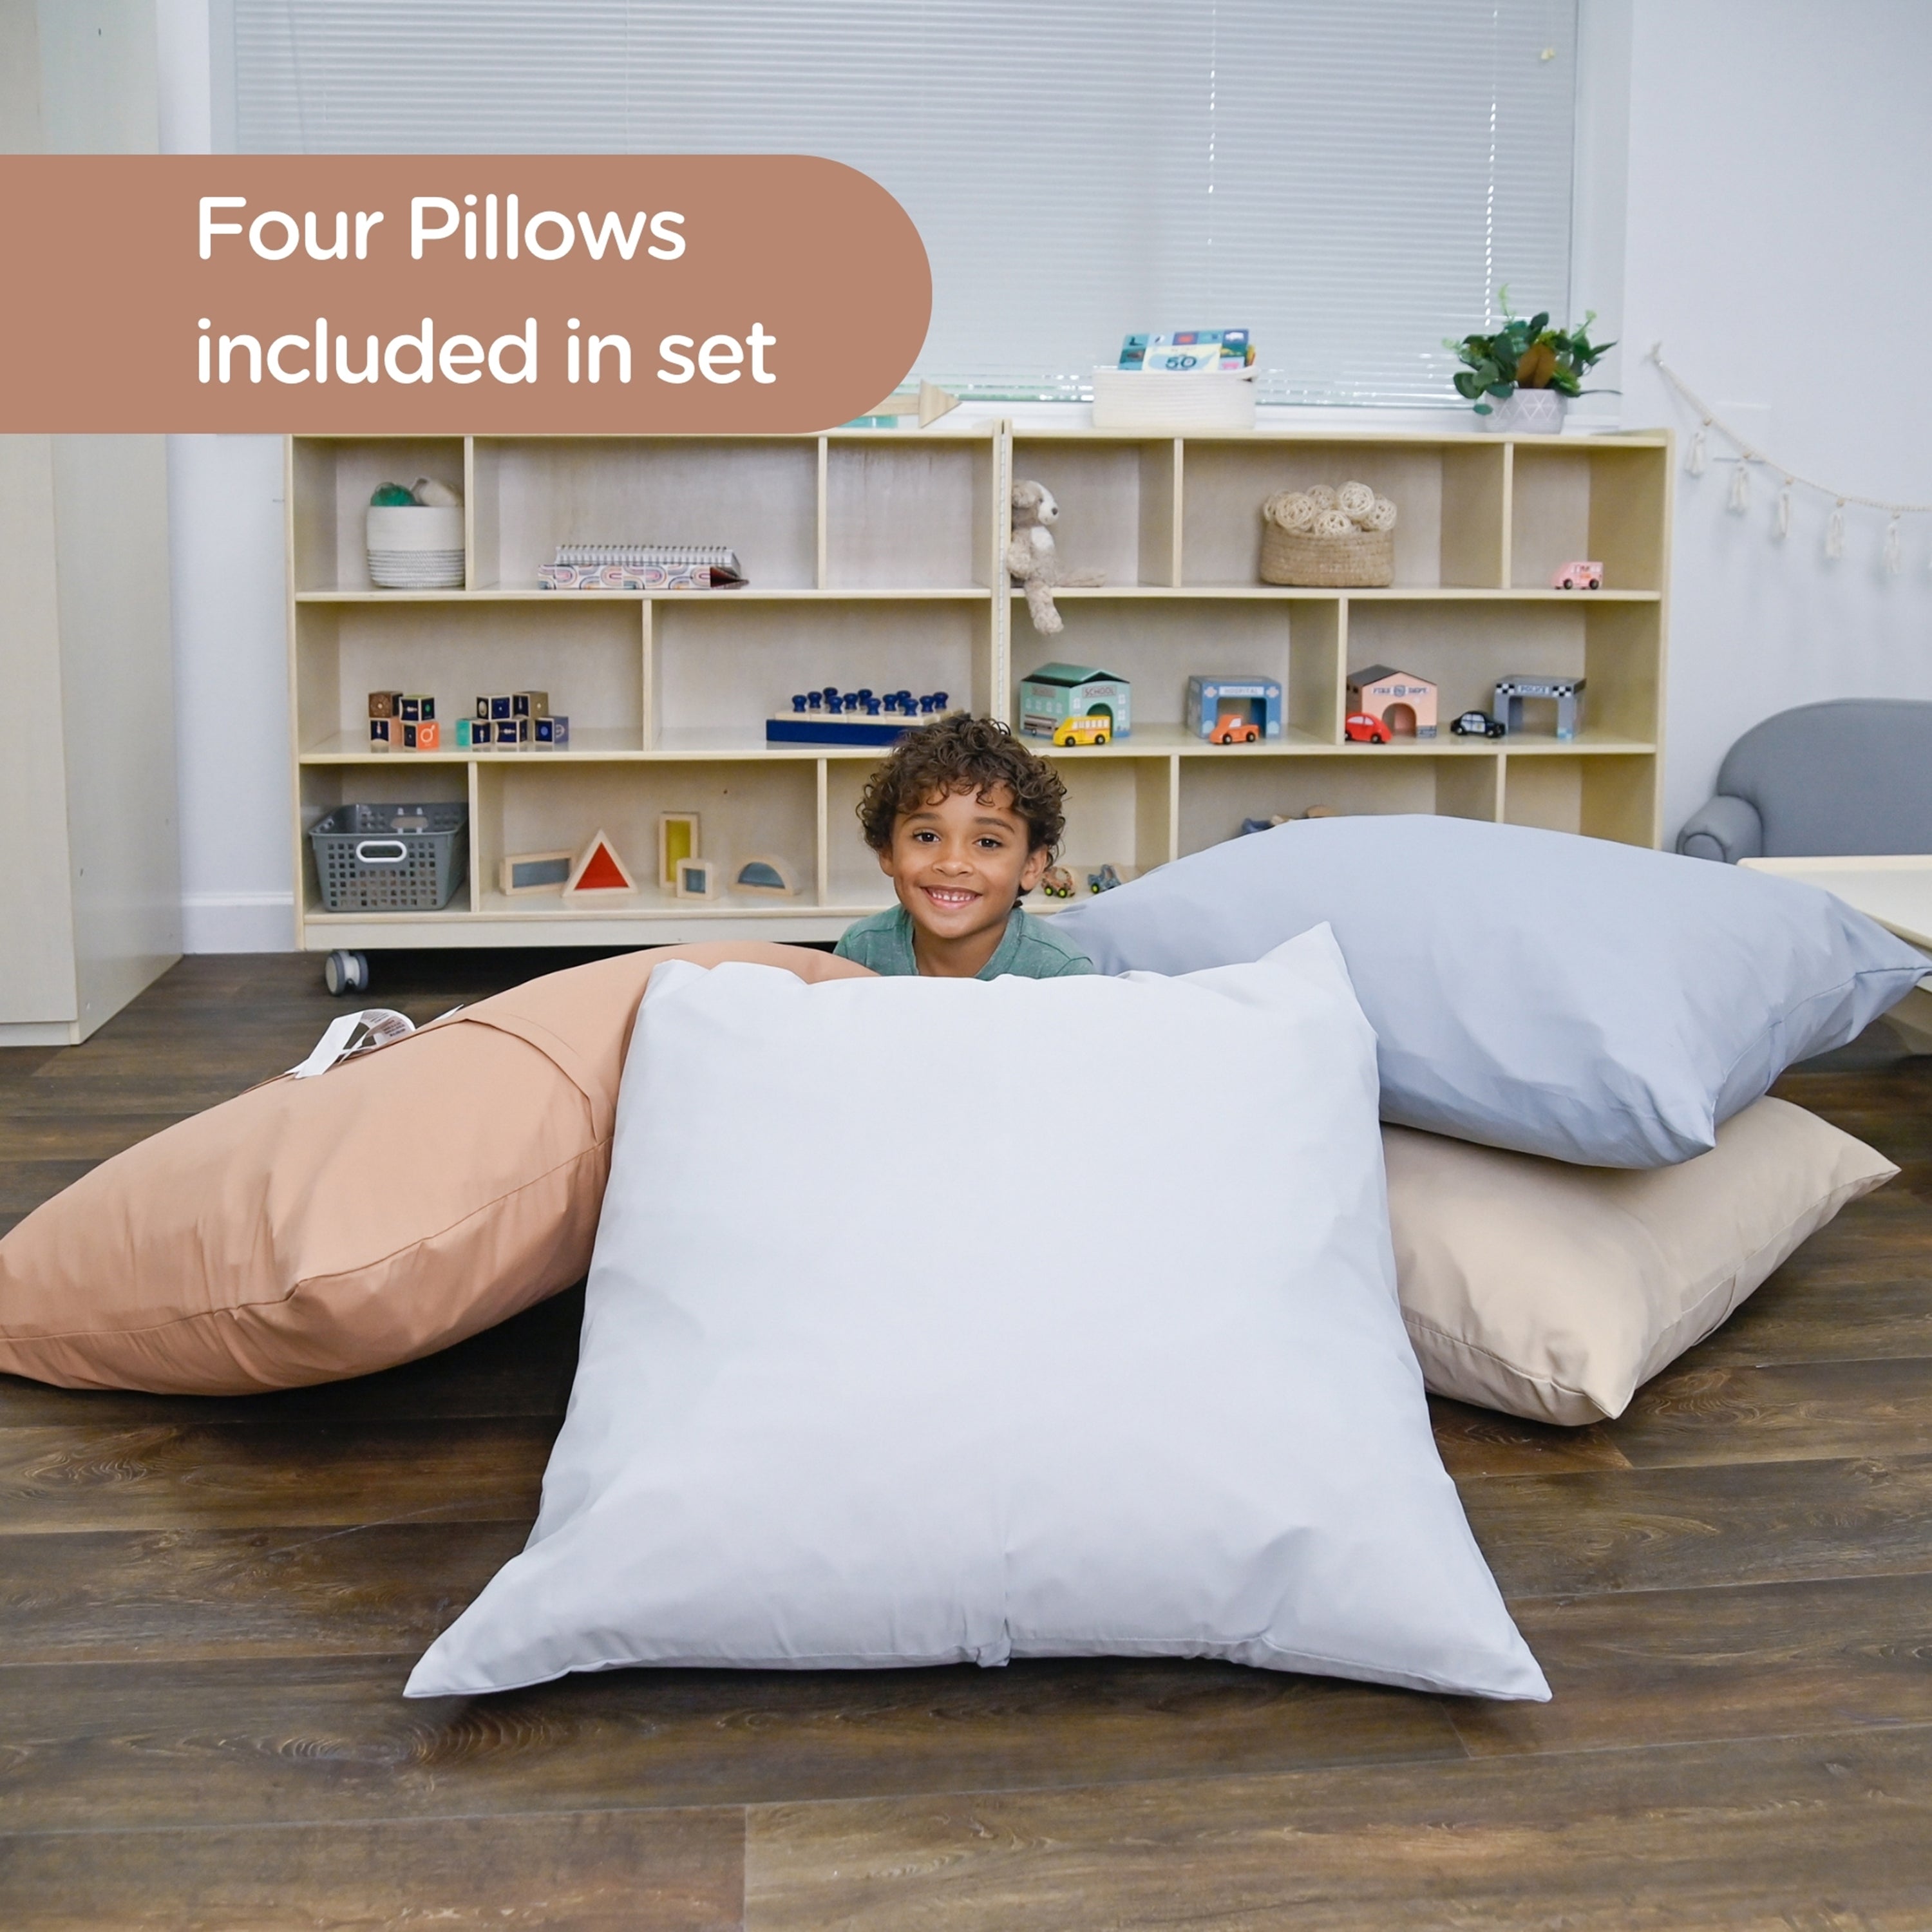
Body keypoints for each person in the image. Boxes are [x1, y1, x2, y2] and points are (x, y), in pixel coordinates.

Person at [835, 714, 1095, 980]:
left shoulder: (1061, 974)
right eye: (927, 837)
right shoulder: (862, 950)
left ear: (1031, 866)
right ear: (887, 850)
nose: (953, 864)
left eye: (987, 842)